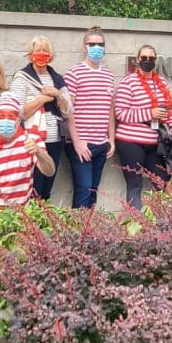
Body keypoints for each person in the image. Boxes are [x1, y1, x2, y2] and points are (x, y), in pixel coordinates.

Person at [115, 44, 172, 210]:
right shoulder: (128, 82)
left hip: (155, 143)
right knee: (135, 185)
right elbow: (120, 113)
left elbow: (169, 114)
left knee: (161, 183)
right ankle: (137, 227)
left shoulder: (161, 82)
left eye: (151, 58)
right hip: (130, 141)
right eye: (144, 58)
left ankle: (160, 225)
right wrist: (150, 114)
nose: (147, 61)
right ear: (138, 59)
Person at [10, 36, 73, 201]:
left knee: (47, 187)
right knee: (33, 187)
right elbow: (17, 112)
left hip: (55, 140)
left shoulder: (58, 79)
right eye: (38, 50)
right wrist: (43, 99)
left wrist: (58, 95)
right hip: (31, 141)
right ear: (30, 54)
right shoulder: (22, 77)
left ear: (51, 55)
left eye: (45, 50)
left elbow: (68, 112)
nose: (42, 54)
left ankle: (43, 223)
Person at [0, 92, 56, 214]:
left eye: (11, 116)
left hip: (22, 215)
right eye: (1, 116)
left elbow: (50, 171)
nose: (6, 120)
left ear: (18, 120)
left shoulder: (31, 139)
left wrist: (38, 152)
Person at [64, 27, 116, 208]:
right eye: (92, 44)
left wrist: (111, 139)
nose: (96, 48)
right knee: (83, 190)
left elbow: (110, 108)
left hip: (101, 145)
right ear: (84, 47)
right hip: (81, 145)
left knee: (93, 191)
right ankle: (76, 234)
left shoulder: (108, 75)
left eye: (100, 44)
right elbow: (67, 111)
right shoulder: (74, 73)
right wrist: (77, 142)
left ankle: (90, 233)